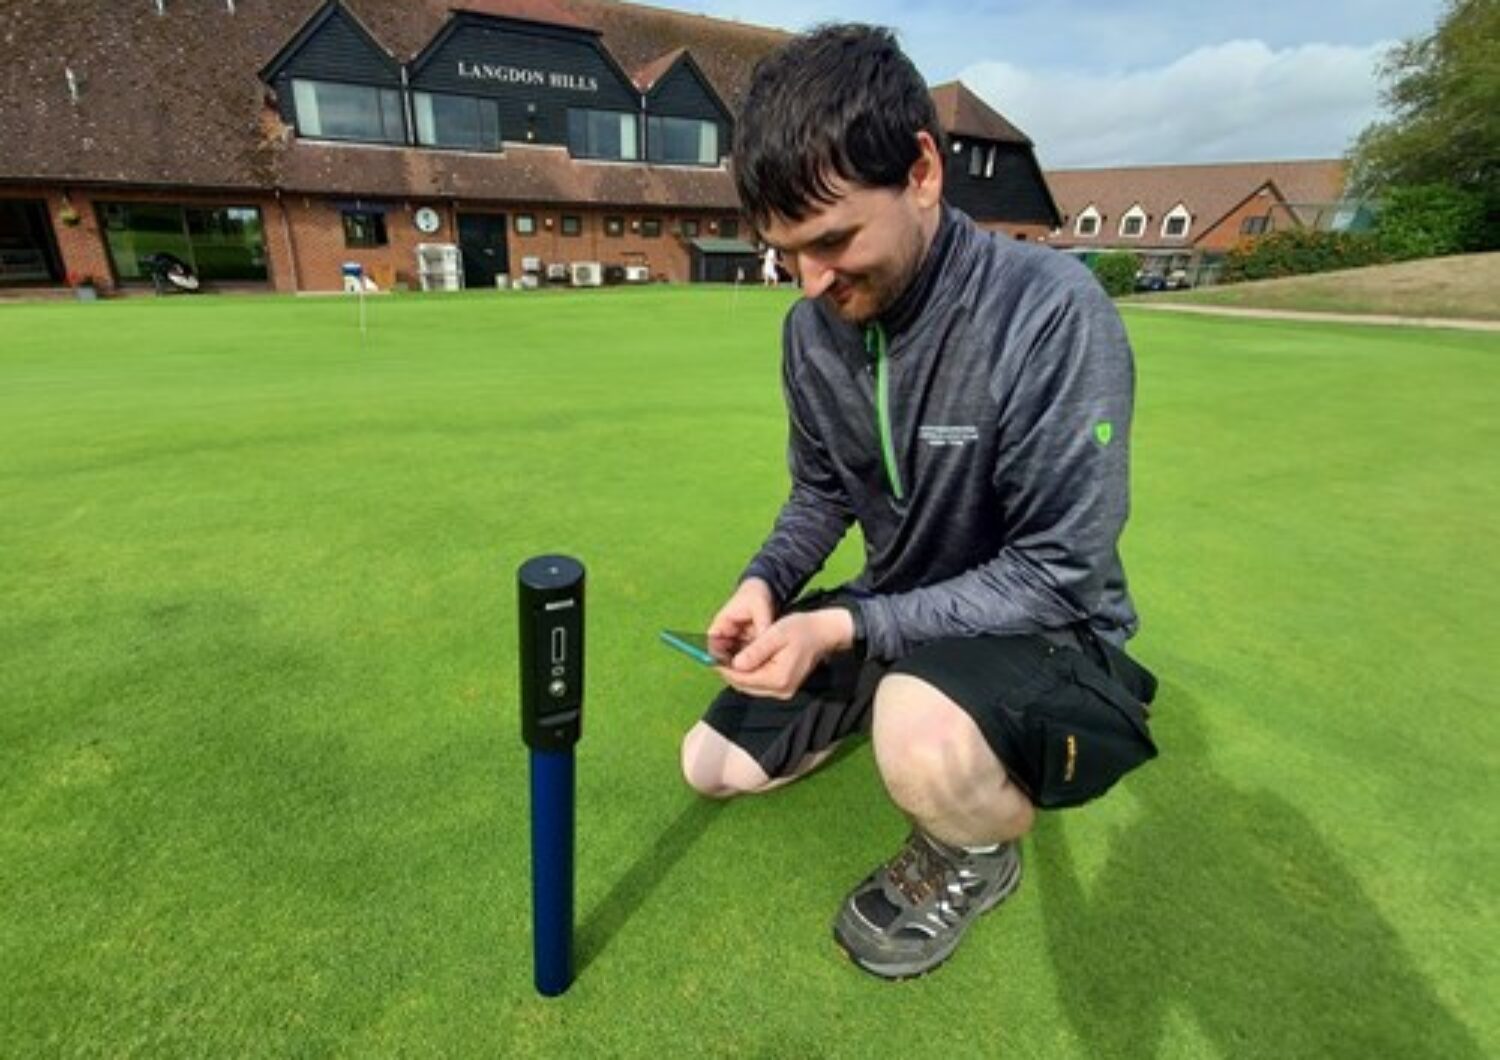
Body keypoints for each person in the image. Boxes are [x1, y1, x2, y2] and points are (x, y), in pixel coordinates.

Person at [679, 23, 1155, 980]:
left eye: (832, 240)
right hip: (901, 620)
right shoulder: (811, 334)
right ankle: (899, 698)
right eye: (786, 253)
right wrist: (765, 583)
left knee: (918, 730)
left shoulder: (1051, 312)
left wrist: (848, 627)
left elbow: (1055, 572)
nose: (811, 281)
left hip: (1053, 633)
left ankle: (974, 854)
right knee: (712, 765)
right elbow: (821, 491)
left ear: (923, 171)